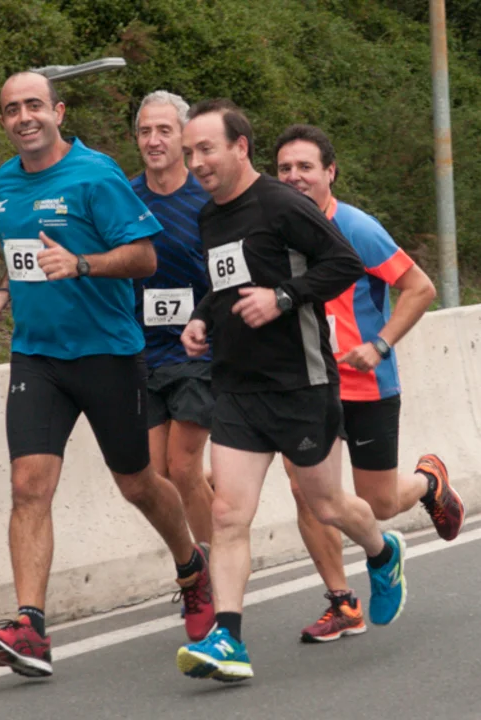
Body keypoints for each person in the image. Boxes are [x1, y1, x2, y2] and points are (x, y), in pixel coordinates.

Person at [0, 72, 214, 678]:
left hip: (107, 354)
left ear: (58, 112)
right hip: (37, 356)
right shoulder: (5, 181)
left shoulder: (97, 174)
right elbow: (26, 255)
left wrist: (82, 264)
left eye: (34, 105)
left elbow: (144, 257)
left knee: (138, 483)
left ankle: (192, 567)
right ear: (2, 122)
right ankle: (30, 627)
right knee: (28, 485)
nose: (24, 117)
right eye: (11, 110)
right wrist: (4, 290)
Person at [174, 99, 408, 682]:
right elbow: (224, 283)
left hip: (301, 383)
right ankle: (228, 638)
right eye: (189, 152)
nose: (196, 162)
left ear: (240, 147)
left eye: (206, 149)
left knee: (328, 505)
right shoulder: (209, 217)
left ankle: (383, 552)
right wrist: (201, 317)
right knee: (228, 514)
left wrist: (282, 298)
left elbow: (344, 263)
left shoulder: (282, 204)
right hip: (237, 387)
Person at [274, 124, 465, 643]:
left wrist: (380, 343)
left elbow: (419, 288)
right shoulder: (274, 230)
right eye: (285, 168)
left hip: (365, 384)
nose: (294, 177)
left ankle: (428, 482)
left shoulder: (356, 228)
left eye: (305, 167)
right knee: (306, 492)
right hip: (309, 386)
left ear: (330, 172)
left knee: (378, 504)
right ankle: (342, 602)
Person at [129, 90, 215, 555]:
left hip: (197, 351)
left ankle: (214, 567)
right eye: (145, 131)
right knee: (155, 476)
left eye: (164, 130)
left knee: (182, 468)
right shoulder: (125, 197)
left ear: (183, 138)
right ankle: (199, 548)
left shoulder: (207, 199)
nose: (153, 140)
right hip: (141, 353)